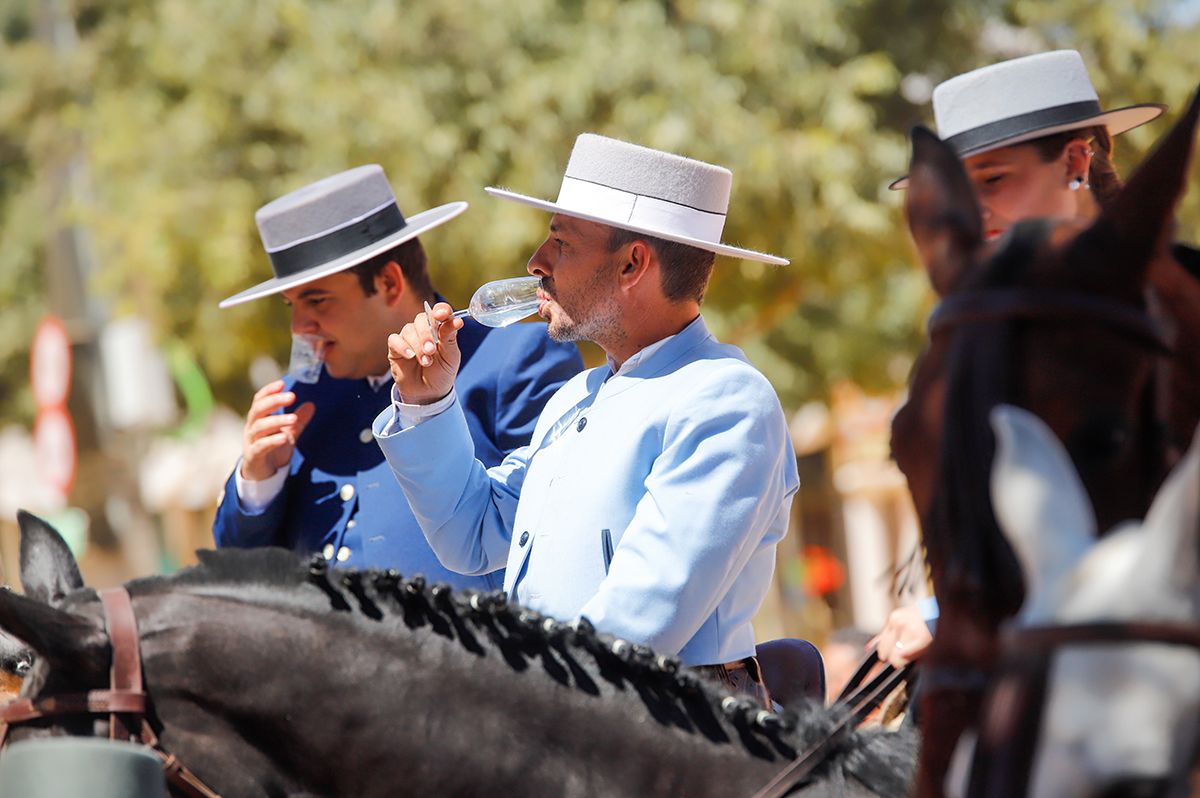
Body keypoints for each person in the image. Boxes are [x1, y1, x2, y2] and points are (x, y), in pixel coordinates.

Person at [373, 134, 800, 706]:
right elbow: (472, 534)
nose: (535, 263)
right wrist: (428, 404)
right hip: (569, 718)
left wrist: (498, 695)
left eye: (560, 242)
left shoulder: (726, 400)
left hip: (676, 737)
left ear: (632, 263)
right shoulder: (578, 395)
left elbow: (637, 625)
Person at [883, 49, 1200, 667]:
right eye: (957, 189)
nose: (973, 212)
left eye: (994, 179)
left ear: (1076, 161)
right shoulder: (979, 329)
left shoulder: (1183, 306)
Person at [213, 165, 583, 588]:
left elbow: (554, 529)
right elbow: (238, 573)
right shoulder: (297, 400)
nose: (299, 327)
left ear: (389, 283)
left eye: (316, 300)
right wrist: (258, 482)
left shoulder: (514, 357)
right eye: (291, 306)